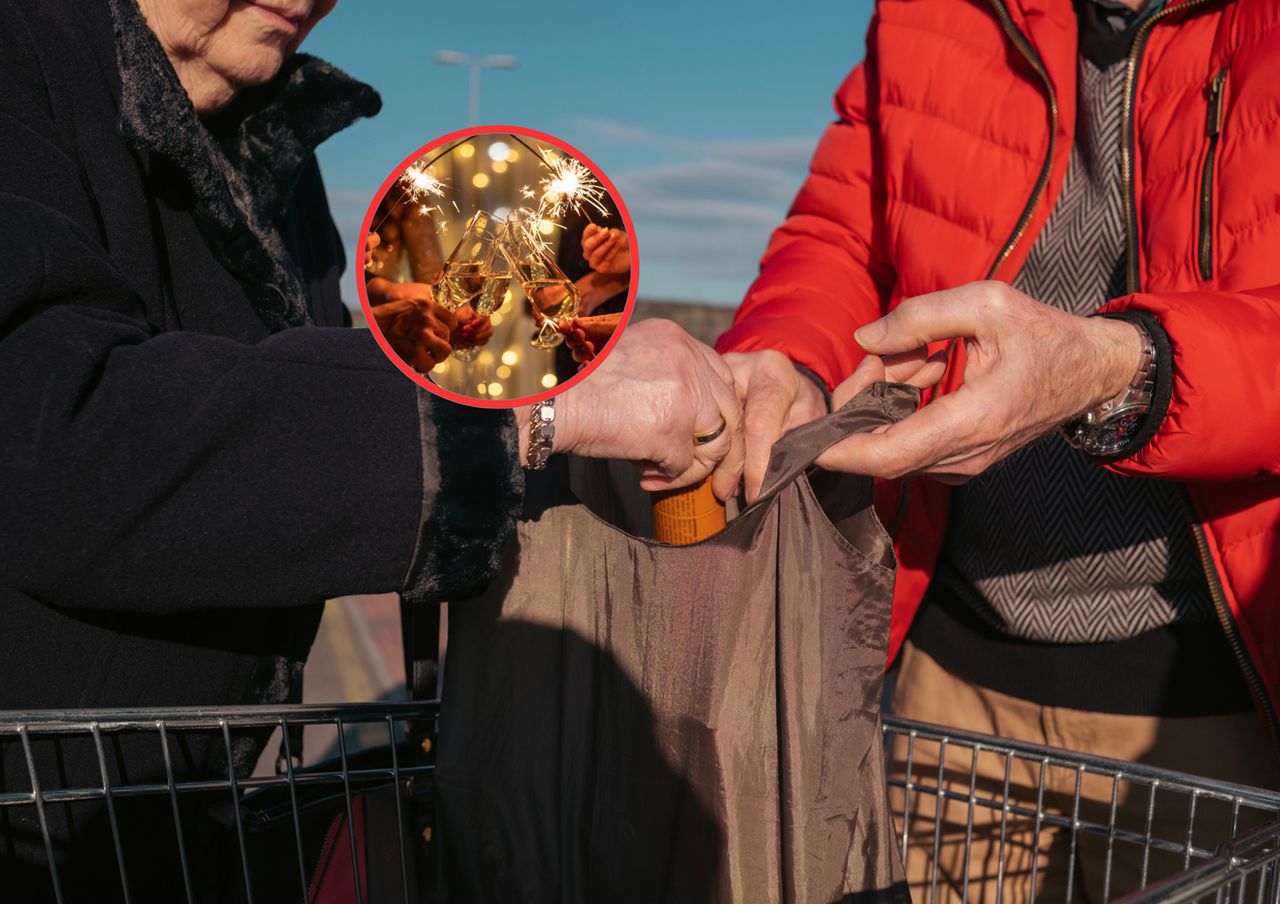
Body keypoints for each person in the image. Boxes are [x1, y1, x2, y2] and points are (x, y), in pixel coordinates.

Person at [0, 0, 743, 896]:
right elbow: (55, 436)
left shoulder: (270, 142)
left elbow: (306, 413)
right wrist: (527, 408)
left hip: (178, 826)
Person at [716, 0, 1280, 899]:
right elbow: (839, 237)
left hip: (1219, 709)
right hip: (946, 684)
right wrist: (791, 361)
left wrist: (1125, 368)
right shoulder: (927, 14)